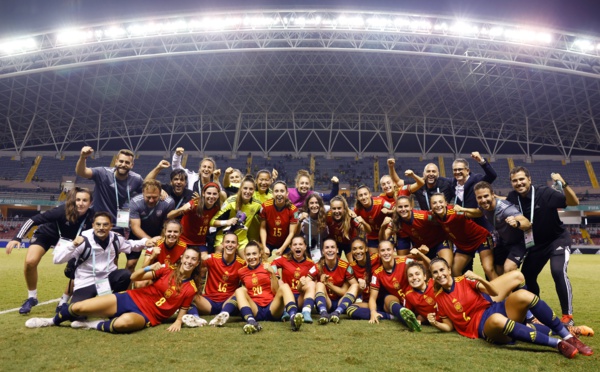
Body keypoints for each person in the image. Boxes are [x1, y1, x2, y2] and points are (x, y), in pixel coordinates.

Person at [427, 257, 593, 359]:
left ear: (449, 270)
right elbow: (449, 326)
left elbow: (493, 292)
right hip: (484, 327)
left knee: (524, 296)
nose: (440, 274)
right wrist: (436, 323)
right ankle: (557, 344)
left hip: (493, 307)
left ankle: (567, 336)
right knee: (498, 320)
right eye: (435, 272)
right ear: (432, 276)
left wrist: (479, 278)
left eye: (442, 270)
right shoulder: (439, 299)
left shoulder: (465, 280)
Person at [26, 247, 202, 333]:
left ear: (196, 263)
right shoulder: (167, 270)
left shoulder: (191, 288)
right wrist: (150, 268)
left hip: (148, 316)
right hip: (130, 298)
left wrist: (178, 322)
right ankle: (50, 321)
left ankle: (90, 325)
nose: (189, 261)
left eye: (193, 259)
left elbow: (184, 308)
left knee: (122, 324)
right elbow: (134, 278)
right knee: (78, 307)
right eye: (187, 257)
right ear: (182, 259)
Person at [506, 167, 579, 326]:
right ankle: (535, 313)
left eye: (521, 179)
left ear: (529, 179)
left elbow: (574, 202)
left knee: (558, 271)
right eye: (515, 181)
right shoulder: (512, 197)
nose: (519, 183)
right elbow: (499, 200)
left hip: (557, 240)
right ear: (511, 183)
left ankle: (567, 316)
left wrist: (564, 184)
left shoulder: (545, 193)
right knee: (527, 277)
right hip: (536, 245)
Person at [6, 188, 94, 314]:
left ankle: (63, 302)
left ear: (90, 203)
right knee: (30, 262)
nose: (80, 203)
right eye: (77, 200)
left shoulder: (92, 216)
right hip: (47, 235)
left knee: (76, 271)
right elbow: (33, 220)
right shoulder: (61, 211)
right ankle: (32, 297)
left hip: (72, 241)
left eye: (84, 200)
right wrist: (17, 238)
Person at [235, 241, 304, 333]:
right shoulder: (241, 272)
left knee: (285, 286)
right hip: (255, 308)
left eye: (254, 254)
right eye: (248, 254)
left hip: (271, 307)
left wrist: (272, 273)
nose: (251, 257)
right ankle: (251, 322)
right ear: (245, 255)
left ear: (260, 254)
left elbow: (275, 291)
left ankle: (293, 317)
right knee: (239, 290)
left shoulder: (269, 266)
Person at [182, 232, 246, 327]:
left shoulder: (242, 264)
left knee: (239, 292)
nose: (230, 245)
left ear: (237, 245)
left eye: (233, 242)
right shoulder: (213, 258)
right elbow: (196, 263)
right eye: (227, 242)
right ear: (222, 244)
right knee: (190, 295)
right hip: (209, 302)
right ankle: (196, 318)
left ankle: (223, 314)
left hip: (228, 302)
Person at [429, 193, 496, 280]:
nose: (438, 205)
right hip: (464, 245)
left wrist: (463, 209)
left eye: (440, 202)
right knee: (454, 271)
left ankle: (501, 292)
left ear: (446, 203)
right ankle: (464, 292)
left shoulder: (455, 212)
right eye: (434, 203)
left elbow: (479, 213)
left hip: (480, 239)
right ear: (431, 205)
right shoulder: (433, 216)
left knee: (488, 269)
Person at [75, 146, 143, 228]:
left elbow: (147, 191)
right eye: (121, 161)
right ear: (116, 161)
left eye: (127, 162)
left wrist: (161, 191)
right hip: (98, 222)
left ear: (132, 165)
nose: (123, 164)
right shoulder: (103, 173)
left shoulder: (136, 179)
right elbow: (81, 172)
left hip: (120, 224)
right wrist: (83, 157)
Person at [474, 181, 531, 274]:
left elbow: (527, 223)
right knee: (497, 270)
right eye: (479, 197)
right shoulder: (483, 207)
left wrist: (517, 223)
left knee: (508, 268)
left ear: (493, 195)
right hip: (503, 241)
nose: (483, 200)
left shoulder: (506, 209)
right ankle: (505, 288)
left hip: (518, 242)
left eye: (486, 196)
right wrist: (462, 210)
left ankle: (522, 288)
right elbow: (477, 212)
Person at [382, 195, 453, 265]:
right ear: (396, 208)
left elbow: (442, 219)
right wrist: (383, 227)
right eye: (400, 207)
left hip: (439, 243)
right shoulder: (397, 221)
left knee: (446, 265)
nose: (403, 209)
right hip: (421, 248)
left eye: (406, 206)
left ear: (411, 207)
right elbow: (384, 238)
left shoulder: (423, 216)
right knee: (407, 265)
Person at [367, 240, 422, 331]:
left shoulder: (405, 262)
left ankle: (409, 318)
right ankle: (404, 316)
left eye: (388, 249)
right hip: (398, 303)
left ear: (394, 251)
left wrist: (421, 255)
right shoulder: (377, 273)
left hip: (414, 299)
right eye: (383, 250)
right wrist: (373, 312)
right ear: (379, 254)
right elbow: (372, 298)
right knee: (387, 298)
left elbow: (424, 267)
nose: (386, 253)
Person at [308, 239, 359, 324]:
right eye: (327, 248)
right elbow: (307, 282)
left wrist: (328, 284)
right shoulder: (318, 266)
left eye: (332, 247)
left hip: (340, 302)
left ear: (337, 250)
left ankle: (337, 312)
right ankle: (323, 313)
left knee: (355, 285)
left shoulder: (345, 266)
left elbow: (347, 291)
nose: (330, 250)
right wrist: (316, 284)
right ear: (323, 251)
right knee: (320, 284)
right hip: (326, 302)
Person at [127, 179, 175, 271]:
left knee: (157, 264)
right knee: (130, 264)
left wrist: (160, 240)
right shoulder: (135, 202)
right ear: (143, 193)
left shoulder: (168, 203)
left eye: (155, 197)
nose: (151, 200)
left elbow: (166, 225)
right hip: (138, 234)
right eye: (148, 197)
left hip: (158, 234)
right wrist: (150, 240)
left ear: (160, 193)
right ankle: (129, 285)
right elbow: (135, 227)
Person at [168, 182, 221, 260]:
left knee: (205, 262)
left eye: (214, 194)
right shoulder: (194, 203)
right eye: (209, 193)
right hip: (183, 240)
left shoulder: (216, 208)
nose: (211, 196)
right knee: (184, 259)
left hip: (199, 243)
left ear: (218, 195)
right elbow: (169, 215)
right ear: (203, 193)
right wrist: (181, 210)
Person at [211, 175, 262, 255]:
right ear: (241, 188)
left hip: (241, 240)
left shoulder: (257, 205)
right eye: (245, 188)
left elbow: (268, 215)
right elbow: (212, 222)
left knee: (249, 262)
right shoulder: (231, 202)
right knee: (218, 258)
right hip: (224, 237)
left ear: (254, 190)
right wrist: (227, 222)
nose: (247, 191)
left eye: (251, 189)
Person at [272, 236, 317, 323]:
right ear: (291, 247)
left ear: (305, 247)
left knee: (312, 284)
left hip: (301, 297)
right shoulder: (284, 259)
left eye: (300, 244)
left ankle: (306, 312)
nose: (297, 247)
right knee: (281, 283)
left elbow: (315, 279)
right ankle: (285, 311)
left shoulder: (310, 263)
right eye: (295, 244)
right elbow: (273, 264)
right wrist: (277, 277)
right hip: (287, 296)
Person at [451, 152, 497, 231]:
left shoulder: (477, 179)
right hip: (464, 228)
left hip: (481, 226)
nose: (457, 172)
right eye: (455, 170)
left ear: (467, 170)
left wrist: (481, 161)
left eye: (460, 169)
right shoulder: (452, 183)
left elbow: (492, 175)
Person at [259, 181, 299, 256]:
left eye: (282, 191)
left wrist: (282, 248)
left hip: (285, 244)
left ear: (287, 193)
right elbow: (262, 228)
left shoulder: (294, 210)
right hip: (268, 243)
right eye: (276, 191)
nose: (279, 194)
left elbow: (292, 233)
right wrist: (264, 246)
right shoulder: (265, 206)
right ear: (272, 193)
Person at [354, 185, 392, 252]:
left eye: (365, 194)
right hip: (371, 237)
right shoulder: (357, 210)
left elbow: (394, 208)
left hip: (385, 234)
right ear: (357, 198)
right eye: (360, 195)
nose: (363, 197)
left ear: (370, 194)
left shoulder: (381, 201)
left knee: (386, 257)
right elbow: (368, 230)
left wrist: (389, 211)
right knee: (374, 259)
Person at [326, 195, 365, 261]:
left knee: (353, 264)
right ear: (331, 209)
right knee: (334, 264)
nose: (336, 211)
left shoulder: (350, 216)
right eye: (334, 208)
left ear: (344, 208)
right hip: (336, 244)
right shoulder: (328, 216)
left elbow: (363, 229)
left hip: (349, 244)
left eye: (339, 208)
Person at [298, 193, 329, 260]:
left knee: (320, 262)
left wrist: (349, 210)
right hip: (307, 241)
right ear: (308, 205)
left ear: (320, 204)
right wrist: (300, 220)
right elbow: (296, 232)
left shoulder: (325, 210)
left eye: (316, 203)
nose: (314, 205)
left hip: (320, 240)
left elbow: (336, 204)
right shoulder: (303, 216)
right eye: (311, 203)